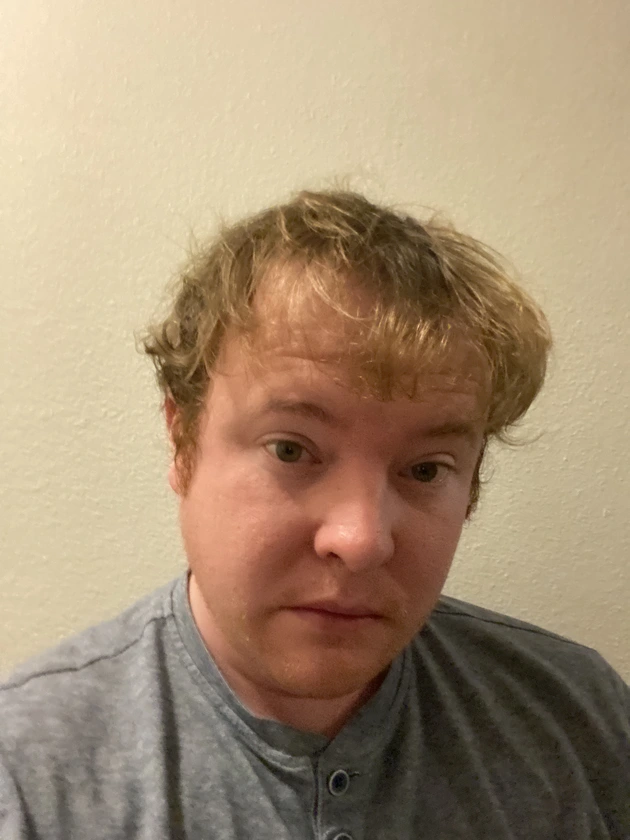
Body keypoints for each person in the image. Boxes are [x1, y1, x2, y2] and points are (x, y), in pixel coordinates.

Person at [1, 190, 628, 840]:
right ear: (182, 443)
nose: (360, 540)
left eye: (425, 469)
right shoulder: (29, 774)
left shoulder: (580, 723)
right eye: (291, 450)